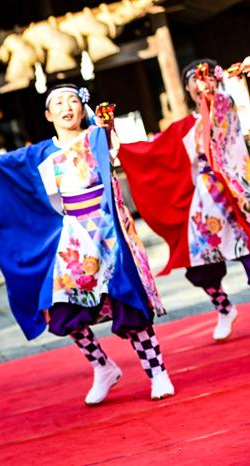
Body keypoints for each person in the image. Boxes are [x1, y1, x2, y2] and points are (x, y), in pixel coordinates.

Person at [0, 84, 175, 406]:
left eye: (73, 100)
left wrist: (107, 125)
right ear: (48, 114)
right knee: (61, 307)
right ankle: (102, 366)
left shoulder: (96, 136)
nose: (66, 106)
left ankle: (156, 371)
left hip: (109, 230)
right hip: (73, 235)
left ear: (82, 107)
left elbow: (114, 143)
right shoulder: (40, 153)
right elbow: (2, 165)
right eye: (58, 102)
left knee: (126, 299)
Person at [119, 59, 250, 342]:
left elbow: (225, 109)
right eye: (193, 78)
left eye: (205, 75)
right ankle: (223, 306)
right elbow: (152, 152)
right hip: (206, 199)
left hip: (239, 191)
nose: (200, 82)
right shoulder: (186, 126)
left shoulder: (231, 105)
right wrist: (113, 143)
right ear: (187, 88)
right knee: (200, 261)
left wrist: (227, 89)